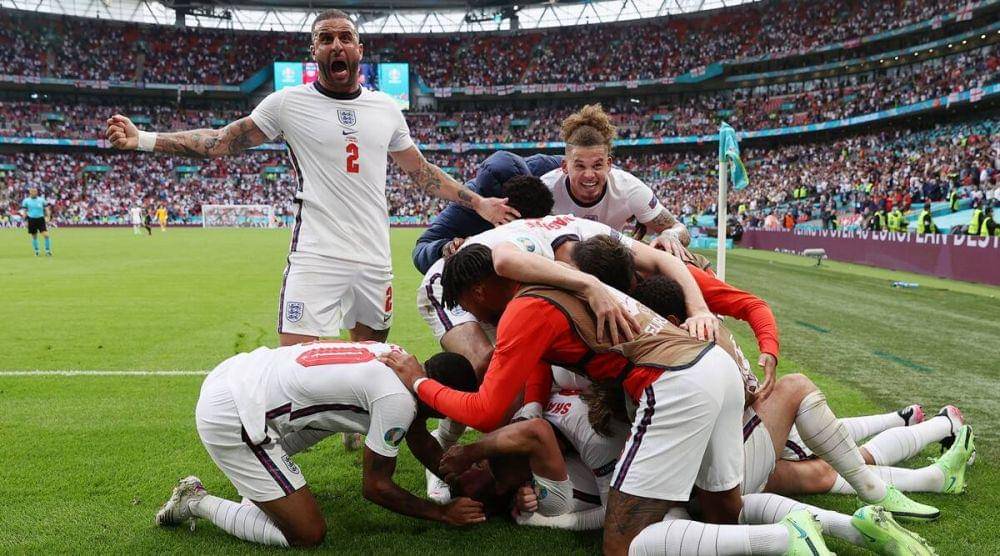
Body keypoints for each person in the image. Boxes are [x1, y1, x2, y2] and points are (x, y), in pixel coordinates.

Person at [383, 246, 836, 554]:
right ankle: (787, 534)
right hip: (710, 366)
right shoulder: (562, 283)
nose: (473, 316)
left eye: (466, 304)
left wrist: (419, 382)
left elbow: (486, 410)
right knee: (719, 513)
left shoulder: (524, 310)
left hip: (674, 384)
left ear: (477, 291)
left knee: (622, 544)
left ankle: (784, 538)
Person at [105, 9, 516, 347]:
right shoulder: (287, 104)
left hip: (374, 256)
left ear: (359, 48)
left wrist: (479, 203)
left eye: (344, 37)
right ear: (314, 51)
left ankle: (355, 429)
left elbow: (421, 172)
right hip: (316, 255)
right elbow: (221, 141)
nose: (336, 44)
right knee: (294, 364)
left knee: (371, 355)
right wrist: (143, 139)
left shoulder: (386, 108)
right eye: (326, 38)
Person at [154, 342, 486, 547]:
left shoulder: (399, 360)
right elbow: (376, 487)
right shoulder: (398, 401)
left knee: (333, 418)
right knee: (306, 533)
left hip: (240, 374)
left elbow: (418, 438)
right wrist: (442, 513)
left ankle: (268, 489)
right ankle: (195, 500)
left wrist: (461, 480)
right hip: (232, 415)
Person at [539, 104, 690, 254]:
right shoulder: (544, 190)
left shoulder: (630, 189)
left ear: (608, 164)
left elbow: (678, 228)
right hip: (561, 265)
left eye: (597, 166)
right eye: (580, 166)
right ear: (565, 167)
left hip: (612, 262)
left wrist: (670, 235)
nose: (589, 174)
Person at [412, 150, 561, 274]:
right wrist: (444, 248)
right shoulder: (466, 206)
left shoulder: (544, 167)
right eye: (508, 216)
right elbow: (421, 250)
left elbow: (578, 159)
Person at [20, 187, 51, 256]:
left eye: (36, 191)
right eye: (33, 192)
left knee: (46, 235)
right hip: (31, 220)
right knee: (34, 236)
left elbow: (47, 209)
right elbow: (24, 211)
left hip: (40, 219)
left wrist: (48, 217)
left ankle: (47, 251)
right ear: (30, 193)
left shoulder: (41, 200)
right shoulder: (26, 201)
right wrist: (24, 220)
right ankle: (37, 251)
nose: (35, 193)